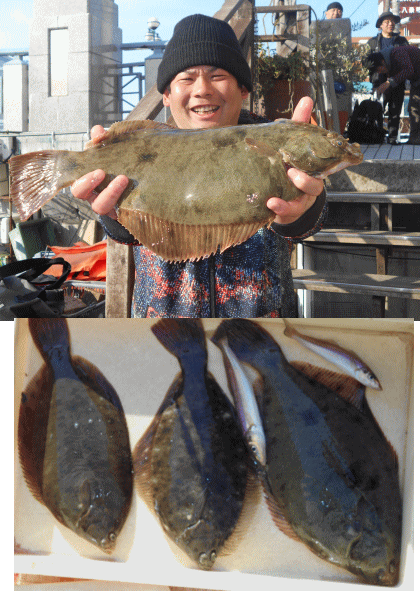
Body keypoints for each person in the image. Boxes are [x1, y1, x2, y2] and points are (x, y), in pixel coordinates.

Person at [71, 14, 326, 318]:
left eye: (217, 75)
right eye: (186, 78)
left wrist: (301, 209)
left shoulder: (273, 142)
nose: (202, 89)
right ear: (166, 95)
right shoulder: (145, 147)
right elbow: (129, 235)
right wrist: (115, 215)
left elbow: (310, 219)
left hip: (261, 330)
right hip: (165, 333)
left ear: (243, 89)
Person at [367, 12, 409, 144]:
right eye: (387, 22)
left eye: (392, 22)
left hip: (397, 81)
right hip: (378, 80)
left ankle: (392, 137)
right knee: (377, 109)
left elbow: (406, 60)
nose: (390, 24)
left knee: (395, 110)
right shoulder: (373, 42)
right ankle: (376, 135)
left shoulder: (401, 41)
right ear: (380, 25)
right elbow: (367, 62)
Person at [367, 45, 420, 145]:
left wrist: (388, 83)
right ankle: (415, 138)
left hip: (417, 79)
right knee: (413, 108)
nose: (379, 72)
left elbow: (409, 70)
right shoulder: (387, 61)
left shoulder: (397, 53)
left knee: (414, 108)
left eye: (379, 69)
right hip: (416, 80)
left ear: (382, 62)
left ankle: (416, 138)